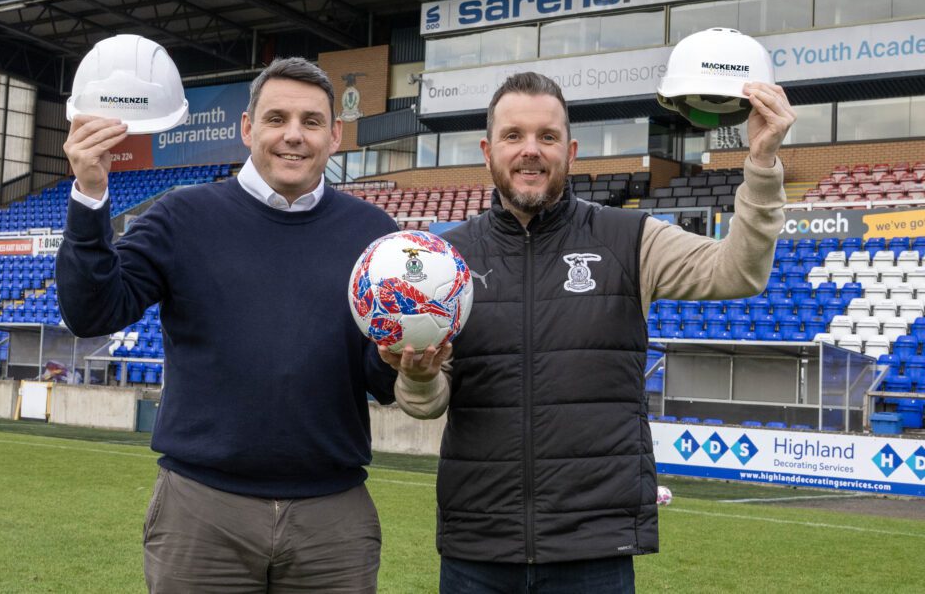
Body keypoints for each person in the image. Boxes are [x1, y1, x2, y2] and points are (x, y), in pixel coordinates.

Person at [385, 71, 795, 593]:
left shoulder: (631, 239)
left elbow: (739, 272)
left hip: (593, 550)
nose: (530, 151)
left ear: (571, 151)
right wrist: (417, 378)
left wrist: (760, 164)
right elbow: (428, 403)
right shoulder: (446, 260)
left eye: (547, 137)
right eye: (513, 136)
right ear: (487, 150)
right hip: (479, 547)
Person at [57, 57, 398, 593]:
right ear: (246, 128)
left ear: (334, 136)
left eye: (311, 122)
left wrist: (410, 356)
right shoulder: (180, 215)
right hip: (201, 513)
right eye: (276, 118)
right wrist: (91, 192)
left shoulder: (375, 235)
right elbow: (91, 312)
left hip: (333, 521)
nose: (293, 136)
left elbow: (383, 379)